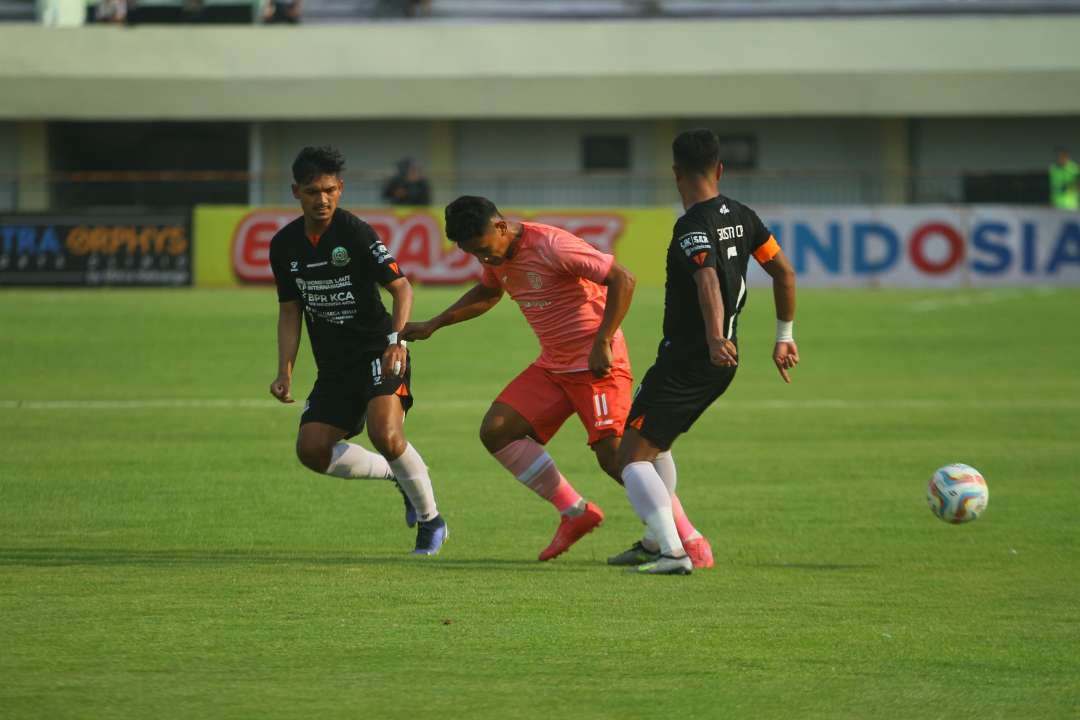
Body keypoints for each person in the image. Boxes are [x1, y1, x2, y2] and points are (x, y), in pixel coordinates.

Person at [403, 196, 714, 567]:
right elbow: (489, 291)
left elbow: (623, 279)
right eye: (474, 254)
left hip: (597, 363)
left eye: (484, 249)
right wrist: (434, 324)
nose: (485, 259)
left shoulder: (551, 245)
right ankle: (573, 512)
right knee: (497, 430)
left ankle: (689, 540)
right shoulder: (497, 256)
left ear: (500, 227)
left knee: (620, 456)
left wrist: (602, 340)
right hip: (554, 365)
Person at [614, 128, 799, 575]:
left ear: (676, 173)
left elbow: (708, 280)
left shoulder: (692, 225)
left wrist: (715, 336)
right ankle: (657, 539)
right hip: (718, 362)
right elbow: (784, 274)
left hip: (690, 359)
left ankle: (673, 553)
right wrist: (784, 335)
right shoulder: (744, 216)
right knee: (656, 446)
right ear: (719, 169)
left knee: (629, 459)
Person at [268, 145, 447, 555]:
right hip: (334, 366)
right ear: (296, 191)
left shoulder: (355, 233)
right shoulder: (284, 245)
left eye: (330, 190)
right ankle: (395, 475)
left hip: (377, 351)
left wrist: (395, 342)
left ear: (341, 188)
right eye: (313, 191)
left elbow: (401, 288)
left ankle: (431, 521)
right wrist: (285, 370)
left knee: (385, 432)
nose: (322, 199)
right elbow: (290, 311)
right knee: (311, 451)